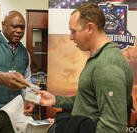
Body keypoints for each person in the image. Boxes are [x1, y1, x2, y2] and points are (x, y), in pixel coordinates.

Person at [37, 3, 133, 133]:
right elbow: (89, 100)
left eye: (73, 31)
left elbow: (112, 128)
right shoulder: (99, 58)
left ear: (89, 28)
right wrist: (56, 100)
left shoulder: (107, 65)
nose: (71, 37)